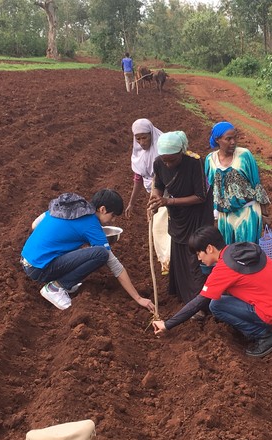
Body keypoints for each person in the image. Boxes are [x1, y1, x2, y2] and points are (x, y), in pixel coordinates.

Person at [152, 226, 272, 357]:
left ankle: (264, 336)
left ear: (209, 249)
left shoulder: (224, 268)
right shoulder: (242, 249)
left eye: (198, 253)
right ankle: (268, 324)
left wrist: (167, 324)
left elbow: (199, 302)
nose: (198, 258)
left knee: (216, 305)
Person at [20, 189, 155, 312]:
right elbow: (113, 264)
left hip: (27, 260)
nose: (112, 220)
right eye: (113, 216)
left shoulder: (72, 206)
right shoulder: (91, 224)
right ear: (102, 209)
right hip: (39, 269)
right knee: (100, 253)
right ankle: (55, 288)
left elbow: (34, 225)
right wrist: (138, 298)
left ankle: (63, 282)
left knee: (75, 246)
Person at [147, 131, 214, 304]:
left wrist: (168, 201)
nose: (168, 165)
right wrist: (155, 200)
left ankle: (198, 302)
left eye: (173, 160)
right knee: (179, 250)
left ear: (182, 152)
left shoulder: (195, 162)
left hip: (197, 214)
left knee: (195, 256)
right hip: (177, 215)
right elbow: (158, 186)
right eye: (165, 160)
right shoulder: (159, 163)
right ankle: (184, 296)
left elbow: (201, 196)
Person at [205, 121, 270, 245]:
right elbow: (212, 188)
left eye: (235, 138)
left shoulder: (244, 156)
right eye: (228, 139)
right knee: (228, 254)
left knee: (247, 253)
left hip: (248, 212)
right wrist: (214, 213)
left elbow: (256, 184)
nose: (233, 142)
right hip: (225, 216)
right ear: (217, 140)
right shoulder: (210, 159)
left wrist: (265, 214)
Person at [125, 118, 170, 274]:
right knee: (158, 230)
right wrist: (132, 203)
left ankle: (170, 260)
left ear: (151, 134)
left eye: (145, 137)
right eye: (138, 139)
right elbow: (138, 179)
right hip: (155, 197)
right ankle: (165, 262)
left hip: (170, 196)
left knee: (163, 228)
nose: (141, 142)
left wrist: (153, 201)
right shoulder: (138, 154)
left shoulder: (163, 148)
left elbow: (160, 179)